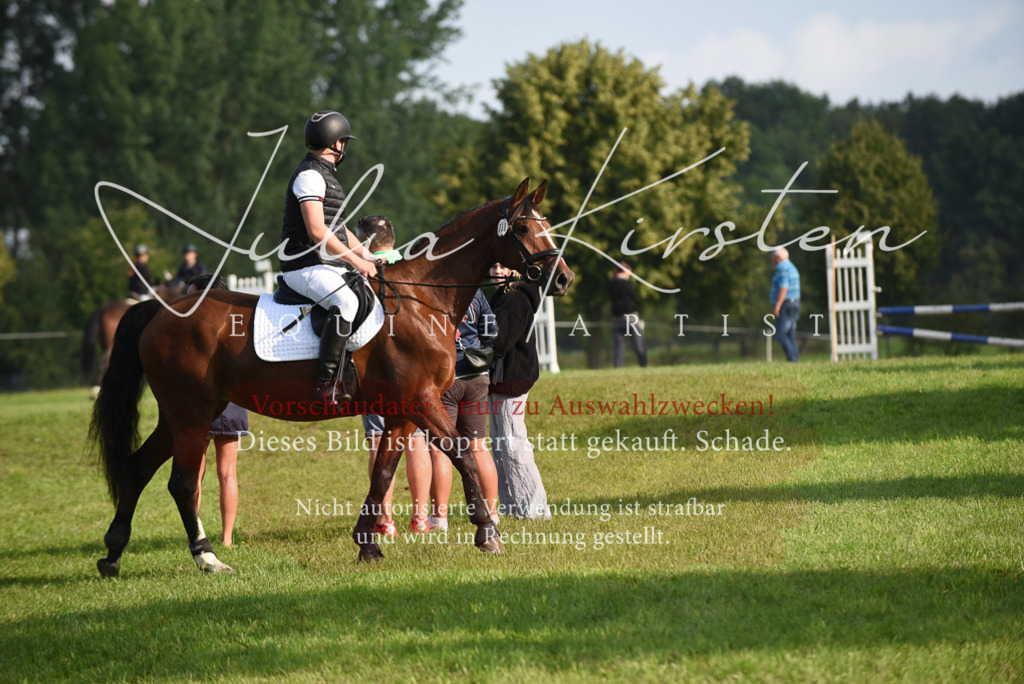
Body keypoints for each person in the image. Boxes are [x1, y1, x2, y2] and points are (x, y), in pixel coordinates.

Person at [278, 110, 380, 404]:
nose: (344, 147)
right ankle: (324, 386)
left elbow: (341, 230)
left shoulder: (326, 177)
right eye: (344, 141)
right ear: (336, 143)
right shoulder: (309, 176)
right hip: (303, 265)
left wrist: (370, 256)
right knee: (345, 301)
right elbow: (317, 230)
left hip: (326, 265)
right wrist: (357, 262)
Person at [354, 214, 431, 535]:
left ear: (366, 241)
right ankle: (422, 518)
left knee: (378, 440)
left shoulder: (362, 272)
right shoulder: (412, 270)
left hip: (378, 369)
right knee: (415, 440)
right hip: (415, 367)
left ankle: (384, 520)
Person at [427, 289, 499, 531]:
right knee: (478, 446)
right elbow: (491, 330)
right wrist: (480, 349)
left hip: (446, 377)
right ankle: (492, 514)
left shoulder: (429, 289)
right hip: (478, 375)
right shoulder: (476, 290)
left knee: (441, 450)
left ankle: (439, 519)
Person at [189, 274, 249, 547]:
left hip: (202, 401)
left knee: (194, 473)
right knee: (228, 473)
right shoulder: (235, 323)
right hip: (233, 401)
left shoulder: (195, 326)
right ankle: (227, 539)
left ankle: (197, 534)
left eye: (192, 294)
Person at [487, 263, 551, 520]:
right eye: (495, 266)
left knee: (513, 444)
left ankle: (535, 510)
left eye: (504, 266)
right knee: (500, 447)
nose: (498, 270)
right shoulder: (502, 294)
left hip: (511, 380)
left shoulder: (516, 297)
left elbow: (499, 341)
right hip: (498, 380)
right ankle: (512, 505)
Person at [607, 262, 648, 368]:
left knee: (619, 346)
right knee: (639, 343)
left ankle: (618, 367)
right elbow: (637, 299)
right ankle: (643, 364)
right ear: (625, 271)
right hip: (630, 318)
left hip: (617, 318)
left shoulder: (612, 284)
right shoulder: (627, 284)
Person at [770, 247, 801, 362]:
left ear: (777, 258)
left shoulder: (782, 268)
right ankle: (795, 359)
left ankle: (792, 359)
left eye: (772, 257)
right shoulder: (791, 267)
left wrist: (777, 305)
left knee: (781, 335)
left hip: (786, 304)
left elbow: (784, 287)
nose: (772, 260)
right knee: (790, 334)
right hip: (794, 303)